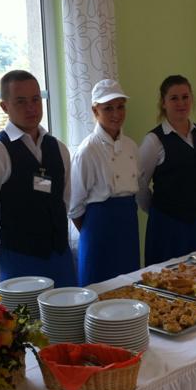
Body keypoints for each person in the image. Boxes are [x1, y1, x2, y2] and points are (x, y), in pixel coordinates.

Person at [0, 69, 76, 287]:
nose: (31, 108)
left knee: (70, 310)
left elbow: (63, 200)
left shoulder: (58, 148)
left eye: (35, 99)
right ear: (4, 106)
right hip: (20, 260)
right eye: (21, 101)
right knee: (24, 312)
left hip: (60, 258)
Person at [137, 74, 196, 266]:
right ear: (163, 103)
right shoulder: (153, 141)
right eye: (174, 98)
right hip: (168, 227)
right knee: (169, 278)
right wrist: (159, 210)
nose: (181, 103)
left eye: (185, 97)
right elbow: (139, 185)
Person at [69, 79, 140, 286]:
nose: (116, 114)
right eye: (108, 108)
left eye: (120, 107)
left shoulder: (131, 146)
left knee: (129, 287)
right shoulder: (88, 150)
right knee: (99, 289)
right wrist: (94, 232)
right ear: (95, 111)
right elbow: (74, 206)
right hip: (99, 230)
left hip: (128, 225)